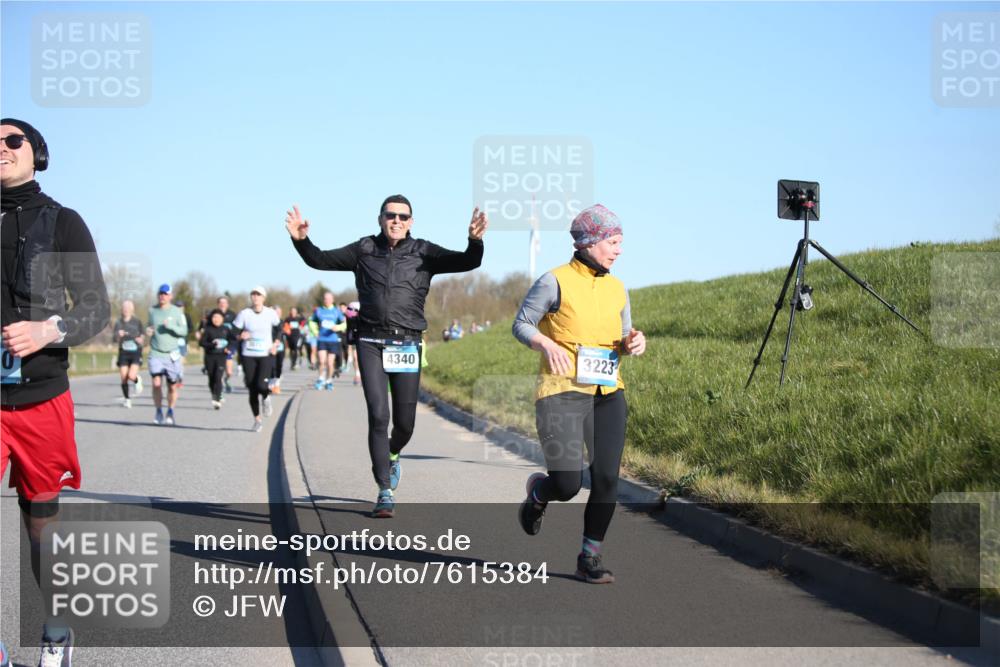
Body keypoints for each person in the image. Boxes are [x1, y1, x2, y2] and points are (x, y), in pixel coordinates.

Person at [287, 194, 487, 518]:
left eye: (403, 217)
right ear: (380, 218)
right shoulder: (364, 249)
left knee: (404, 424)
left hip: (407, 344)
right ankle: (384, 490)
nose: (396, 221)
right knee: (379, 415)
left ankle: (393, 453)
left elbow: (468, 261)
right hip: (370, 341)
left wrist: (474, 241)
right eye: (390, 215)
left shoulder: (424, 252)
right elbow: (319, 259)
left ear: (411, 222)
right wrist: (301, 240)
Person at [1, 117, 111, 665]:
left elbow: (96, 309)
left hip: (41, 396)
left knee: (40, 525)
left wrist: (47, 330)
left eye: (11, 140)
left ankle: (56, 629)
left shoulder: (63, 222)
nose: (1, 148)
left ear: (35, 153)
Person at [512, 204, 646, 584]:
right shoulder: (553, 281)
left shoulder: (618, 287)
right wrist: (543, 343)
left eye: (620, 242)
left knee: (606, 479)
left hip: (607, 392)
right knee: (568, 484)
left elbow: (621, 338)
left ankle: (589, 558)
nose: (619, 250)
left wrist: (633, 343)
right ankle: (539, 494)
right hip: (562, 392)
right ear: (590, 242)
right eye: (613, 242)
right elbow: (521, 323)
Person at [233, 286, 279, 432]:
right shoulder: (244, 314)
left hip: (265, 354)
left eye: (258, 295)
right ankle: (257, 420)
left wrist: (276, 344)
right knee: (252, 387)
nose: (255, 297)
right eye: (253, 294)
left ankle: (266, 397)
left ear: (263, 298)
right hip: (248, 355)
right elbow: (233, 331)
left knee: (261, 385)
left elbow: (279, 330)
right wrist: (240, 336)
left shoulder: (270, 313)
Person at [147, 283, 188, 425]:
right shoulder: (152, 311)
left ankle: (170, 410)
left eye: (165, 294)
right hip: (155, 352)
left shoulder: (177, 312)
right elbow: (149, 326)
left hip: (172, 355)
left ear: (170, 296)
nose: (162, 296)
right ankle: (158, 410)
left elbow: (184, 331)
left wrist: (169, 326)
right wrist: (148, 331)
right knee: (156, 383)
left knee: (172, 386)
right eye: (160, 293)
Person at [310, 291, 346, 390]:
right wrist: (315, 332)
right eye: (325, 299)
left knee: (330, 363)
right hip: (322, 339)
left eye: (329, 299)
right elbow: (311, 322)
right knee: (322, 361)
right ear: (323, 300)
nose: (327, 300)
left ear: (332, 300)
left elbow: (345, 324)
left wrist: (337, 327)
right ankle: (321, 378)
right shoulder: (319, 310)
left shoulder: (336, 311)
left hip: (333, 340)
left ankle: (329, 380)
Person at [112, 299, 144, 408]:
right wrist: (118, 335)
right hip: (123, 352)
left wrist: (140, 339)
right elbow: (114, 339)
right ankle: (127, 399)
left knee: (131, 375)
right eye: (124, 308)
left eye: (128, 308)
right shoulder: (118, 322)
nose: (126, 310)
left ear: (132, 309)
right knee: (124, 377)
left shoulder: (137, 322)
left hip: (135, 352)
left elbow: (142, 336)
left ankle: (137, 380)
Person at [199, 308, 230, 409]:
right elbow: (202, 343)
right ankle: (214, 393)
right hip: (210, 356)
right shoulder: (208, 329)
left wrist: (228, 348)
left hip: (221, 356)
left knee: (218, 377)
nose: (216, 319)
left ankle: (217, 398)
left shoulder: (226, 329)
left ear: (222, 319)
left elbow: (233, 341)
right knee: (211, 378)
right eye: (214, 317)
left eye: (218, 317)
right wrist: (211, 345)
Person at [216, 296, 239, 394]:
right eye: (220, 302)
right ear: (218, 304)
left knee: (229, 371)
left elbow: (237, 328)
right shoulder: (214, 314)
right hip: (217, 345)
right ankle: (219, 385)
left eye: (224, 302)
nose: (222, 304)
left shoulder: (232, 315)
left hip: (229, 344)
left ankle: (227, 380)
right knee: (219, 368)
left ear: (227, 304)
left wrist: (237, 336)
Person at [269, 305, 286, 394]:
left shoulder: (283, 322)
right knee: (272, 365)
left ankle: (277, 383)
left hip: (281, 347)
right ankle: (273, 384)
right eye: (277, 312)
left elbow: (287, 332)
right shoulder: (269, 322)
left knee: (279, 365)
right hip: (271, 347)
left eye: (280, 313)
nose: (278, 314)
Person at [284, 306, 306, 370]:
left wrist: (301, 326)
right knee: (291, 350)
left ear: (296, 312)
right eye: (292, 311)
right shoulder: (288, 318)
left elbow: (304, 320)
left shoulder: (299, 318)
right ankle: (292, 361)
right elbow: (285, 325)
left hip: (297, 335)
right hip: (290, 336)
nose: (293, 312)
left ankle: (295, 363)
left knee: (296, 348)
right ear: (290, 311)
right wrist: (287, 329)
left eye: (294, 311)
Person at [345, 301, 361, 385]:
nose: (352, 311)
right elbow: (348, 329)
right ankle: (357, 374)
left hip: (364, 337)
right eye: (351, 309)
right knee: (356, 357)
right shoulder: (348, 318)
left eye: (355, 310)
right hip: (355, 337)